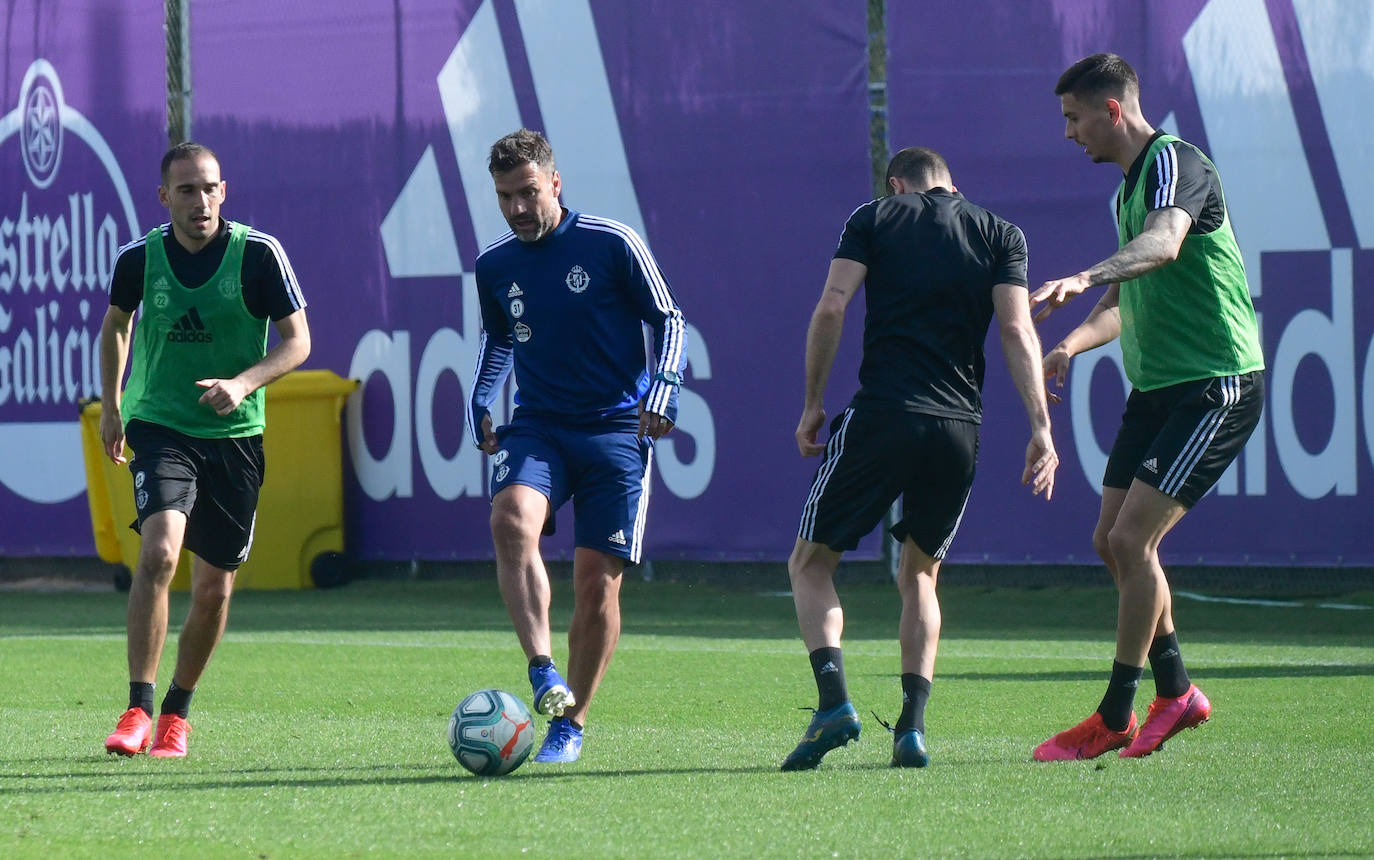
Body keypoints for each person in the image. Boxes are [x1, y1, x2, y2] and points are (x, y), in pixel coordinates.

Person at [781, 147, 1058, 771]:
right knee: (921, 576)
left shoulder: (877, 217)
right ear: (952, 185)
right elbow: (1017, 330)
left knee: (810, 562)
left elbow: (831, 307)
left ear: (897, 184)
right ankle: (911, 728)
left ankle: (833, 704)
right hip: (959, 427)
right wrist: (1041, 426)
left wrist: (812, 405)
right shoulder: (1000, 232)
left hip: (884, 416)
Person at [1030, 53, 1264, 761]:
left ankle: (1116, 712)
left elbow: (1162, 248)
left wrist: (1083, 272)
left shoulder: (1175, 163)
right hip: (1159, 388)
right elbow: (1123, 301)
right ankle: (1179, 690)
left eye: (1073, 118)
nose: (1069, 134)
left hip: (1215, 384)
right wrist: (1070, 345)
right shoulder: (1133, 188)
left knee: (1133, 542)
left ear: (1110, 109)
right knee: (1111, 541)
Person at [467, 129, 687, 764]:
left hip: (618, 430)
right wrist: (482, 396)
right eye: (505, 196)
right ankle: (541, 669)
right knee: (511, 520)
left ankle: (572, 724)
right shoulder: (496, 263)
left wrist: (664, 388)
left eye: (528, 193)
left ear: (554, 184)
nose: (517, 208)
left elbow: (668, 318)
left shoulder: (612, 243)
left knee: (597, 586)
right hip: (538, 422)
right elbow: (499, 338)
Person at [100, 142, 310, 758]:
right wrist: (112, 406)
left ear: (225, 191)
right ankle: (137, 708)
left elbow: (298, 342)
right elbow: (116, 323)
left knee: (215, 588)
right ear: (164, 197)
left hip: (235, 436)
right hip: (160, 425)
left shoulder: (258, 255)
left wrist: (242, 383)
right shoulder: (140, 258)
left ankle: (176, 713)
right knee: (160, 551)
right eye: (187, 190)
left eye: (210, 188)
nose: (201, 201)